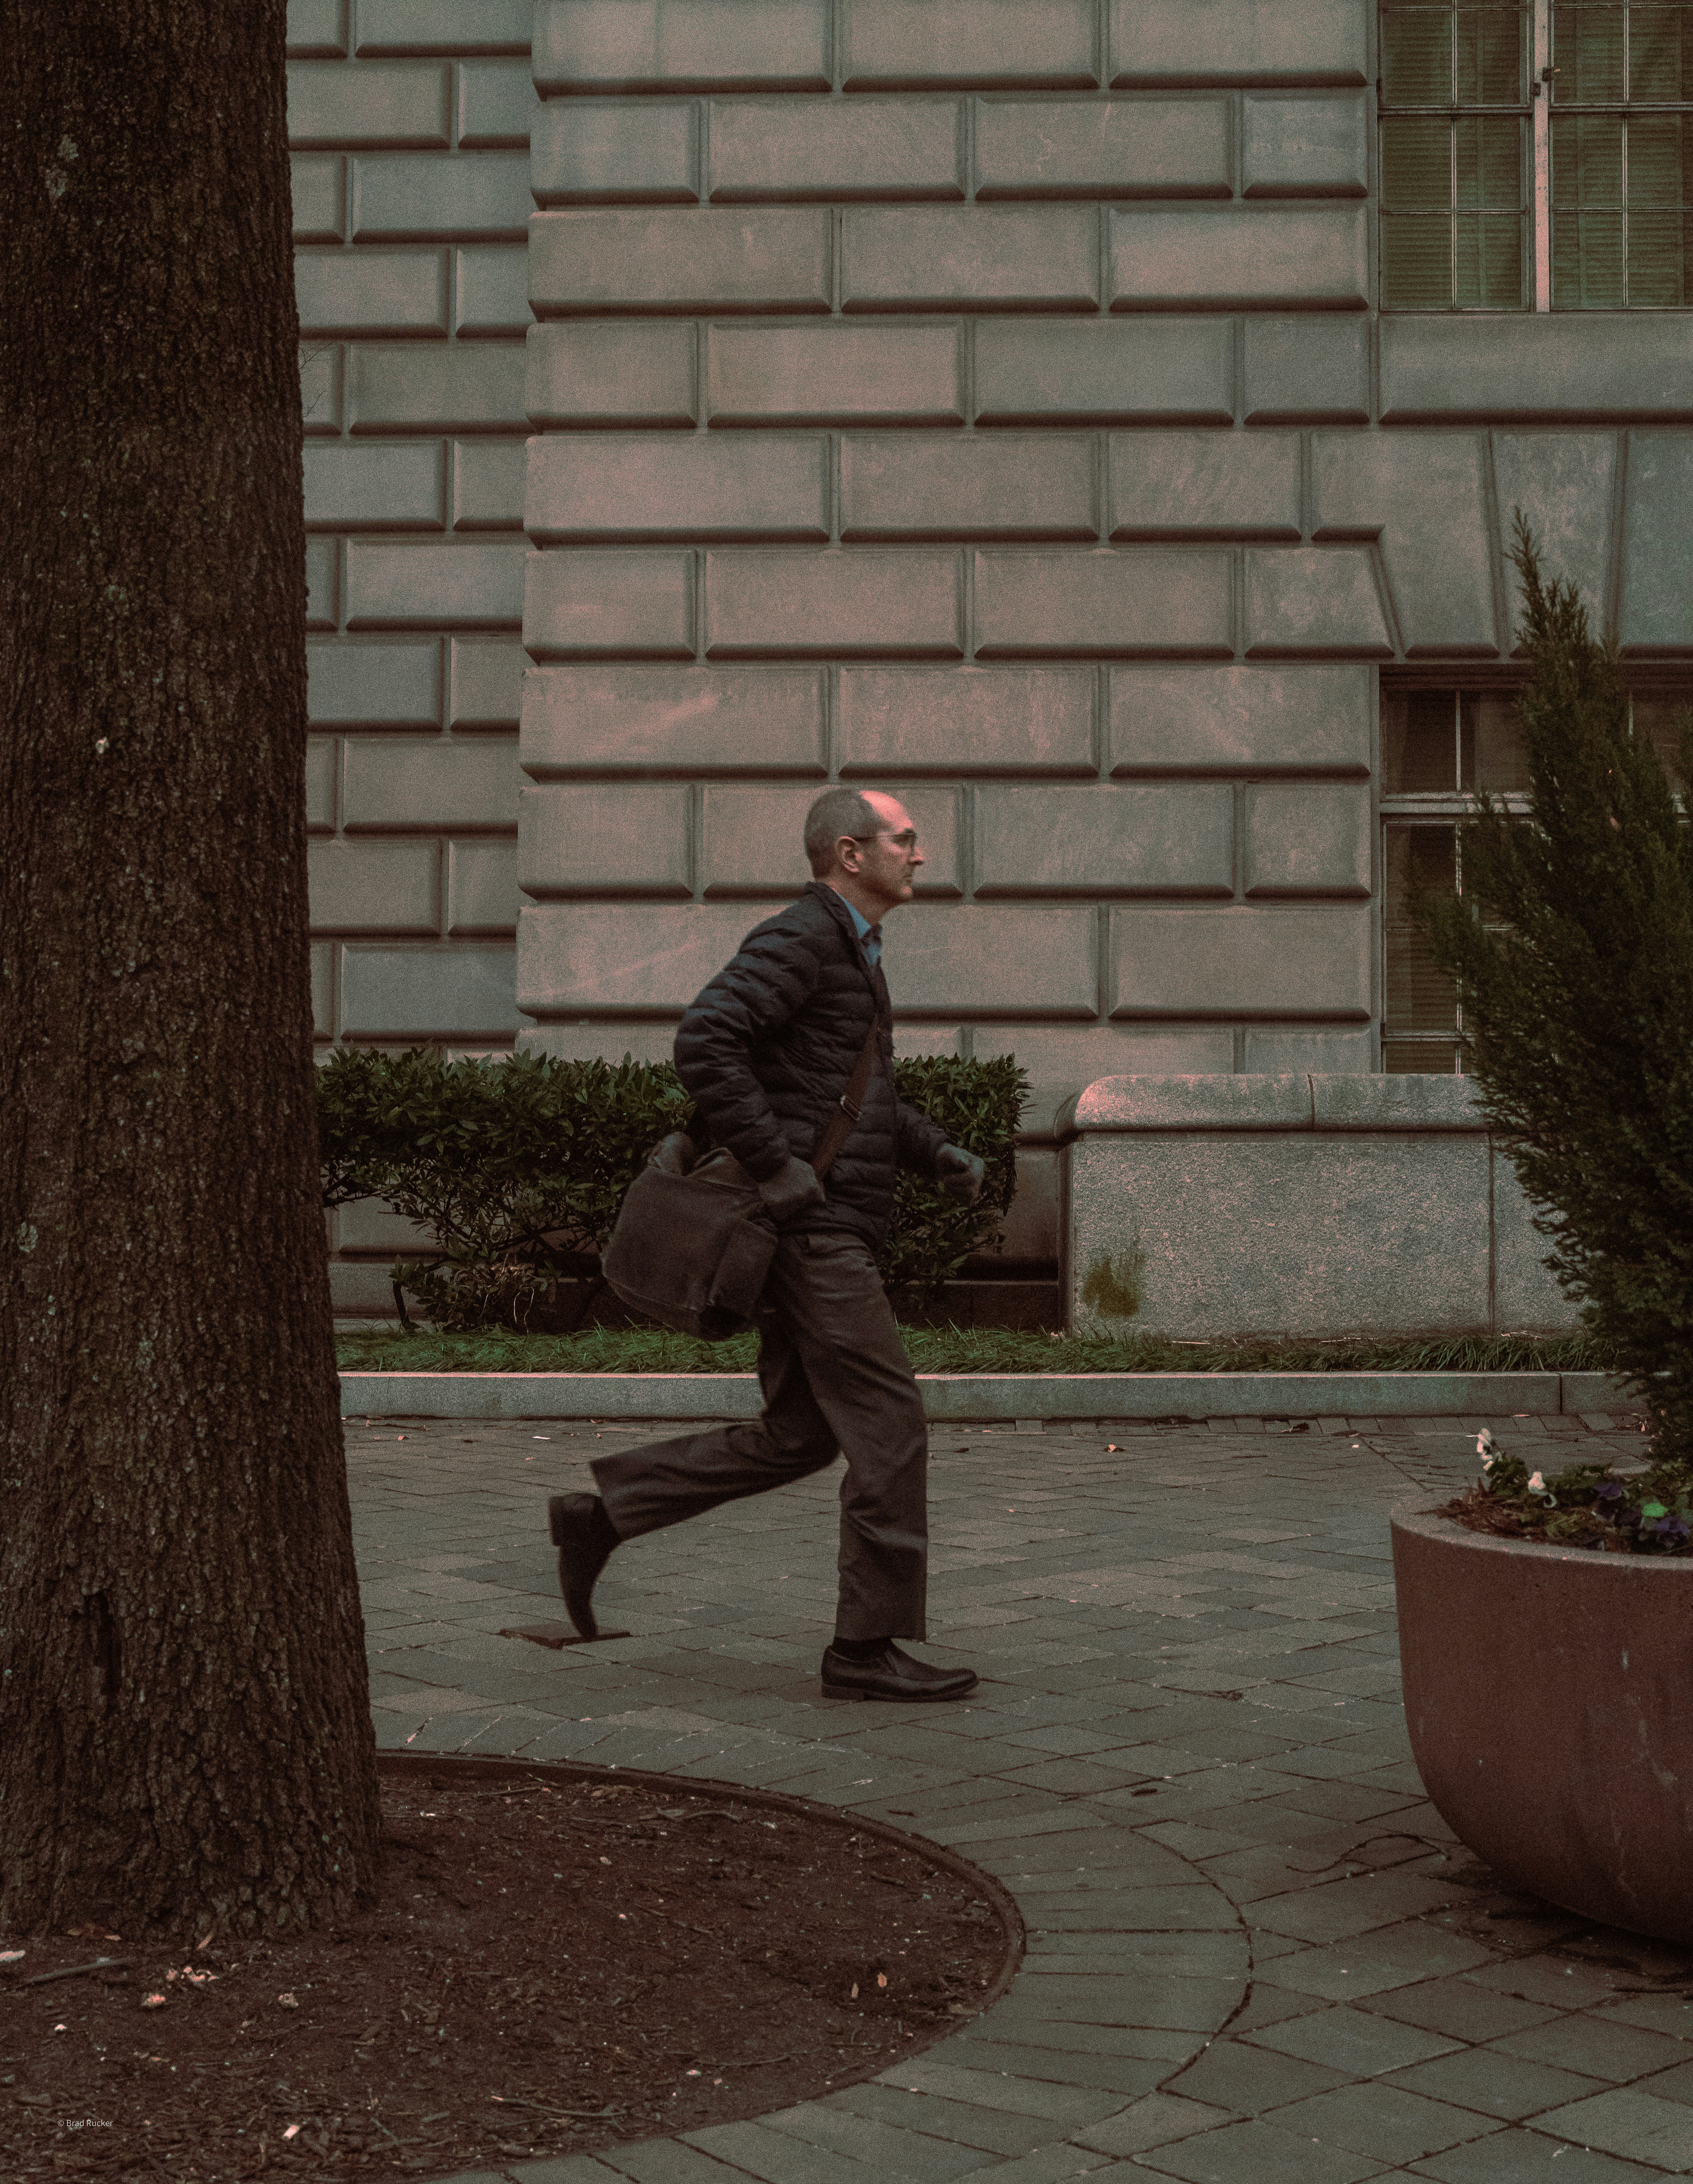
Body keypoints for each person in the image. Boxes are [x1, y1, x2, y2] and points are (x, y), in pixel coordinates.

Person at [547, 787, 987, 1702]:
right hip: (812, 1231)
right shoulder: (804, 938)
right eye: (904, 839)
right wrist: (779, 1166)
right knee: (889, 1426)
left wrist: (932, 1148)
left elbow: (847, 1094)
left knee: (798, 1435)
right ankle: (863, 1651)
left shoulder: (847, 949)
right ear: (848, 853)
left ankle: (606, 1514)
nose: (920, 854)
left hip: (823, 1221)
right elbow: (707, 1039)